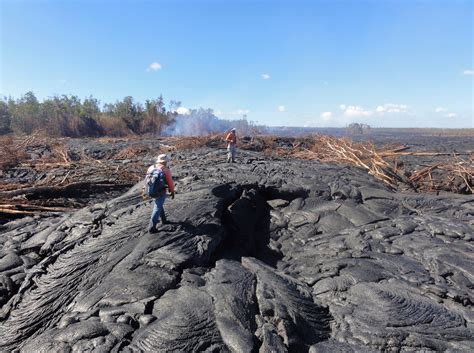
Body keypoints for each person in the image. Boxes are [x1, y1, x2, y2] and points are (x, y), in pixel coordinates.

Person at [145, 154, 175, 233]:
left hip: (150, 191)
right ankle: (152, 227)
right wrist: (172, 192)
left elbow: (146, 180)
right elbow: (170, 182)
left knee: (159, 204)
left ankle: (163, 220)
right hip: (160, 191)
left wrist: (146, 191)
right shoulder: (165, 169)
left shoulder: (151, 167)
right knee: (157, 207)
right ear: (165, 162)